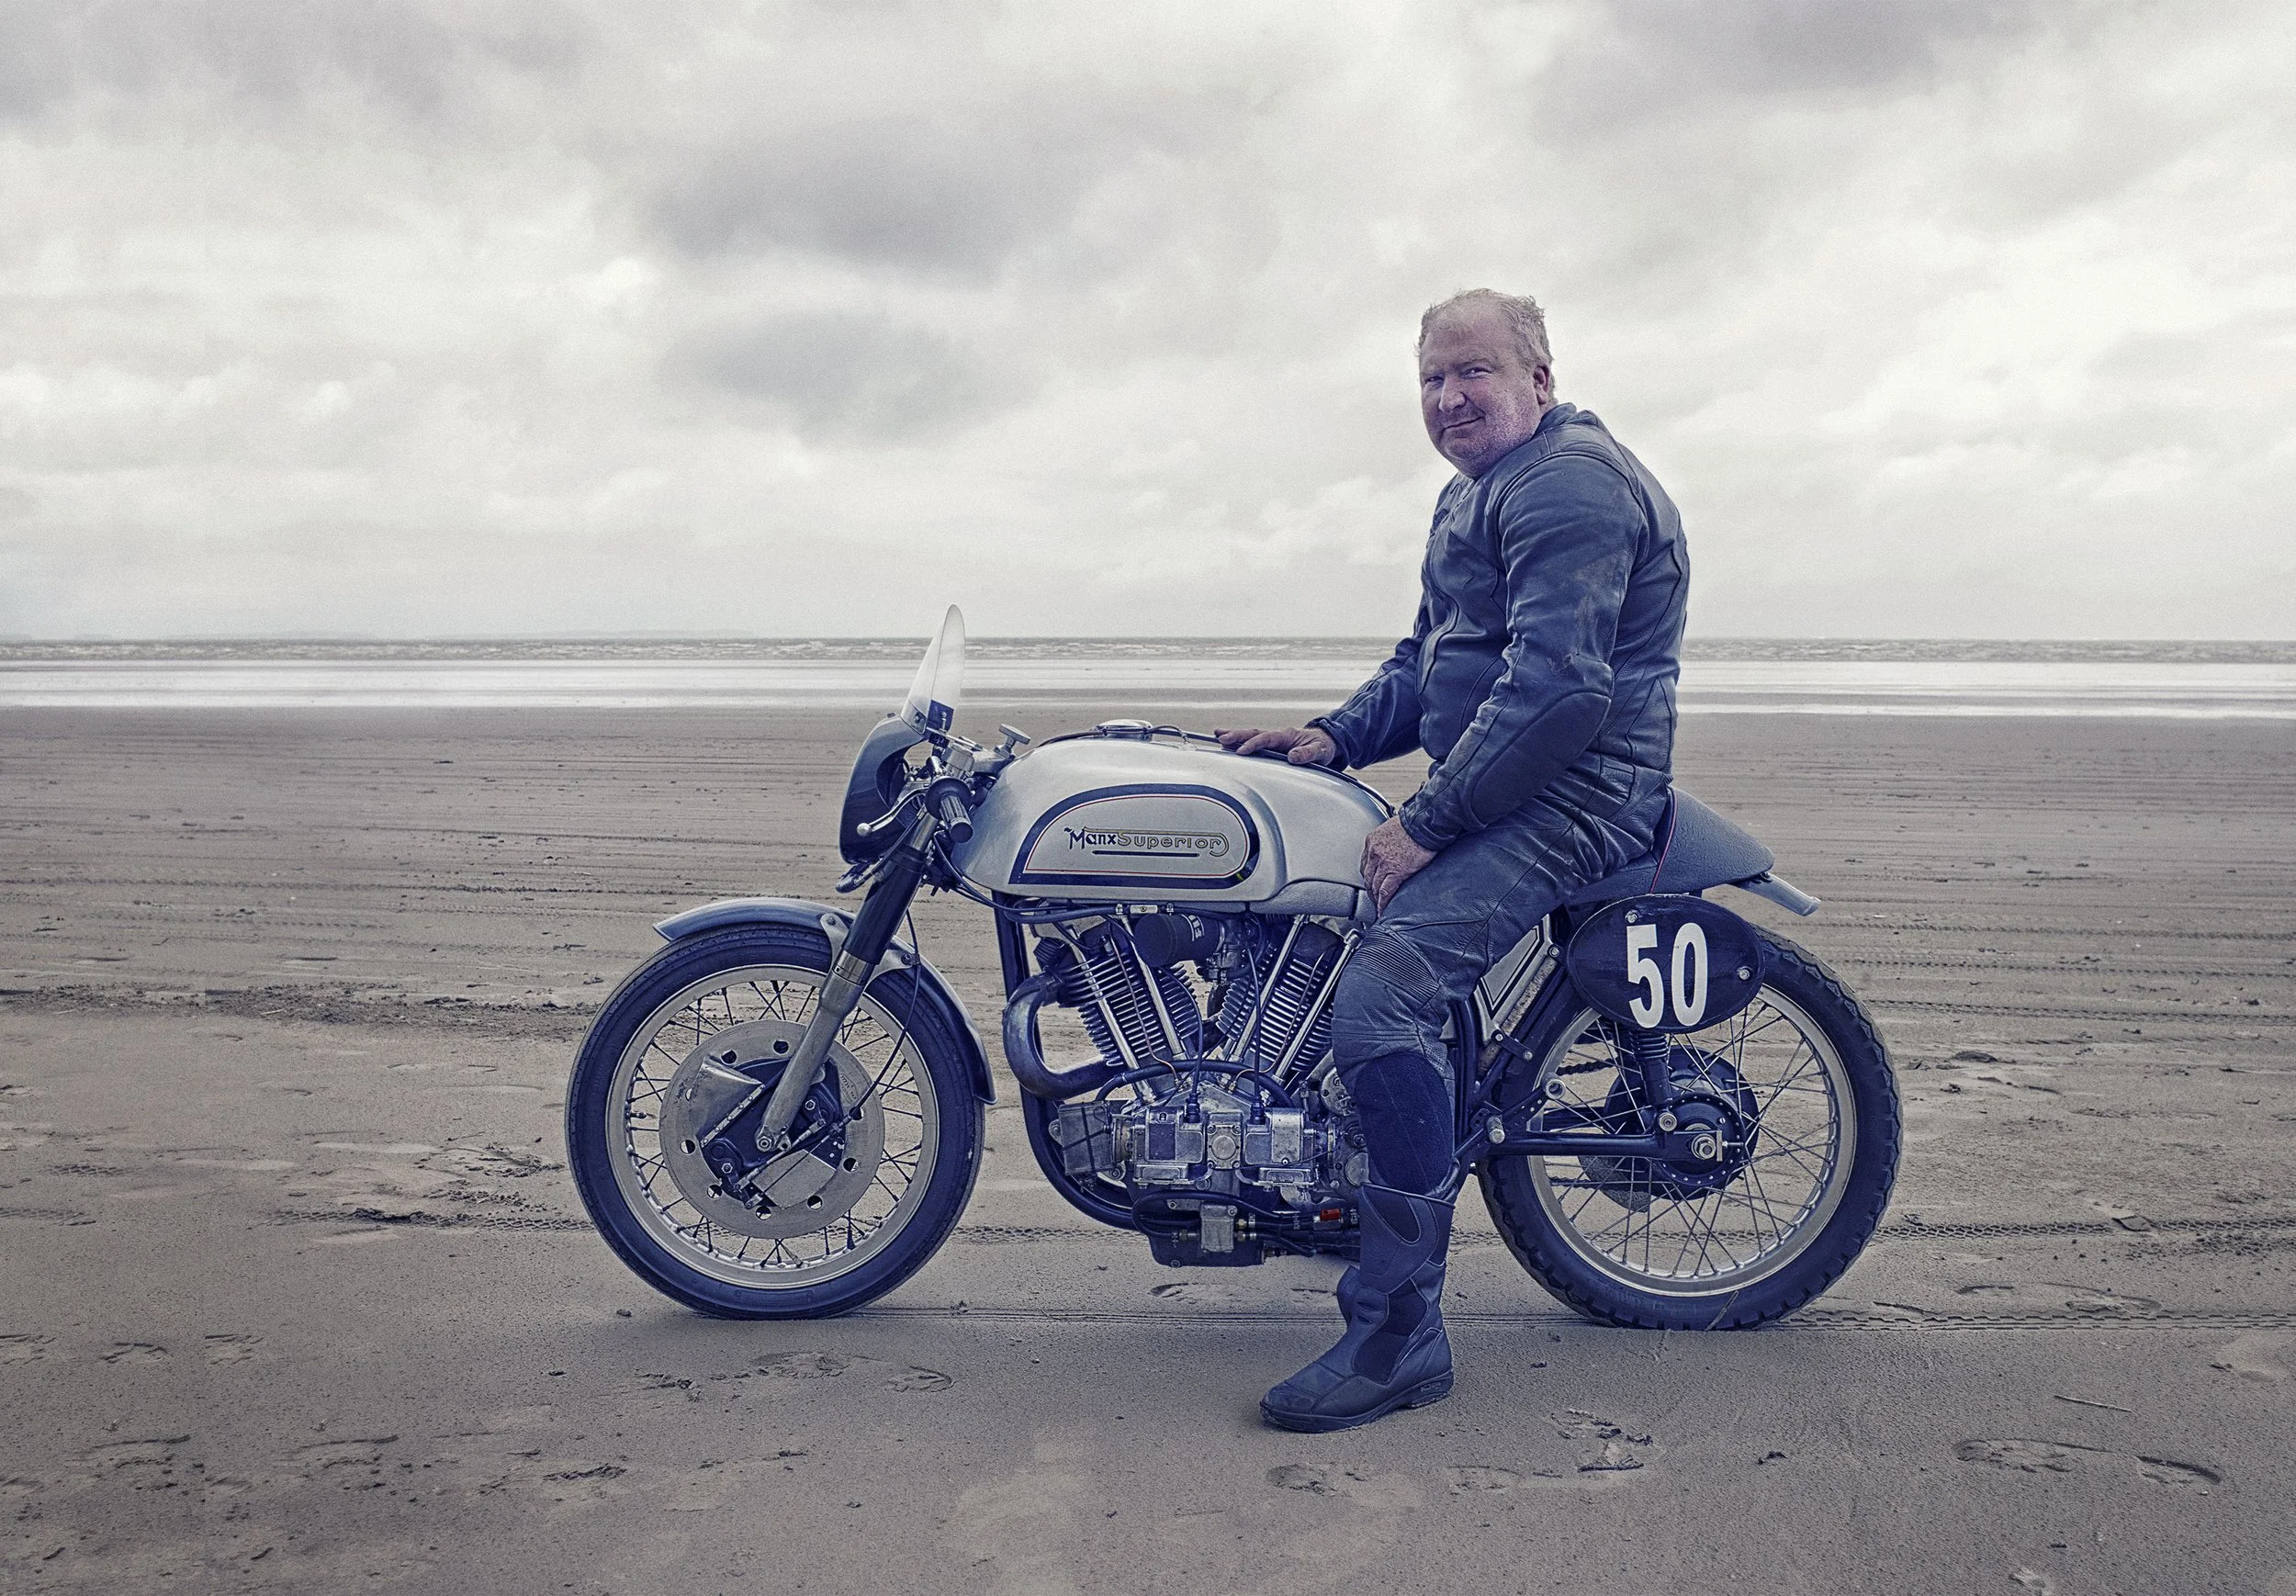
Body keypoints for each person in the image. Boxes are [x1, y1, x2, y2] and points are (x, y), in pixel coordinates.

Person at [1215, 287, 1690, 1432]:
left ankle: (1400, 1332)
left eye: (1472, 372)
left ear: (1539, 374)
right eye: (1431, 378)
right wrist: (1331, 735)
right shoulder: (1477, 487)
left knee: (1380, 1002)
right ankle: (1339, 1189)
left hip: (1569, 793)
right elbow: (1432, 659)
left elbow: (1556, 692)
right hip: (1514, 775)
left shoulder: (1567, 483)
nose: (1449, 396)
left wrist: (1423, 820)